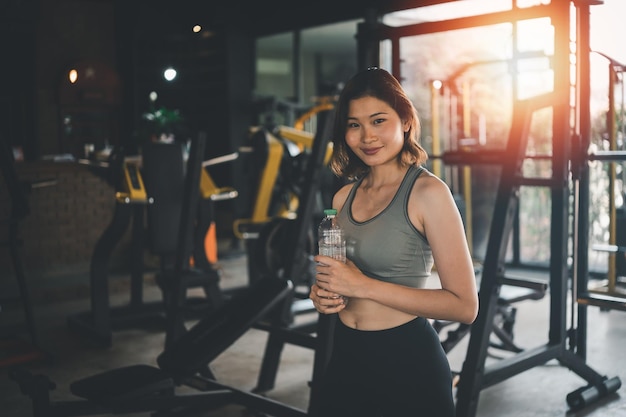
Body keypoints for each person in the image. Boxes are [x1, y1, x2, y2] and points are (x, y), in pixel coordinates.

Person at [310, 67, 479, 417]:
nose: (366, 136)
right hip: (346, 356)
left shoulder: (429, 193)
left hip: (407, 362)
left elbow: (465, 306)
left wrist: (363, 285)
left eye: (378, 121)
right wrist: (323, 294)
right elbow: (339, 278)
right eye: (354, 124)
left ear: (405, 120)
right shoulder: (342, 198)